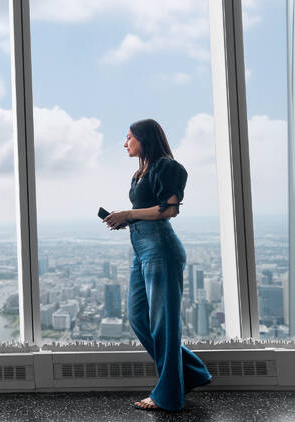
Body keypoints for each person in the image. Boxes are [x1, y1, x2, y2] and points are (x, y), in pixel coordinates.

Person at [102, 118, 212, 411]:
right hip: (141, 250)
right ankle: (192, 373)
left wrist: (128, 212)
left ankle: (169, 396)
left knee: (164, 324)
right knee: (139, 318)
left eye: (128, 137)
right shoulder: (140, 172)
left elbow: (170, 209)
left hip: (161, 250)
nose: (125, 143)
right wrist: (127, 219)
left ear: (144, 138)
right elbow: (146, 211)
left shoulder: (167, 166)